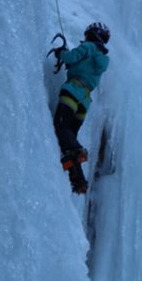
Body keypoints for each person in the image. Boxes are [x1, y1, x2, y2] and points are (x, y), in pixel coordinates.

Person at [53, 23, 111, 193]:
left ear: (91, 34)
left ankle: (78, 151)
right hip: (84, 102)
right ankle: (78, 179)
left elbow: (70, 57)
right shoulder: (101, 57)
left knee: (61, 126)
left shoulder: (88, 47)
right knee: (68, 138)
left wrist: (61, 53)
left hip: (73, 91)